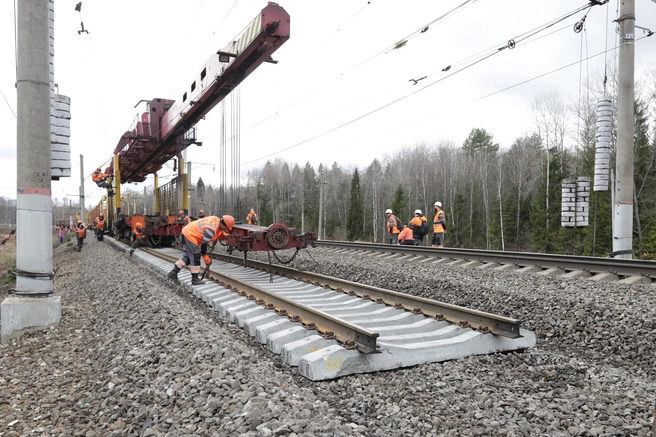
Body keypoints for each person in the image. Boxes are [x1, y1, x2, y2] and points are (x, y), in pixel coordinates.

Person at [167, 215, 235, 285]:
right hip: (190, 235)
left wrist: (224, 233)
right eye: (226, 228)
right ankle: (195, 279)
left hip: (187, 232)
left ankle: (173, 273)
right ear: (223, 224)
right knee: (195, 256)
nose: (226, 230)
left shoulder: (217, 220)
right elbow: (204, 244)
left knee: (187, 258)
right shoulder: (211, 229)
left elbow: (219, 228)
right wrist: (205, 257)